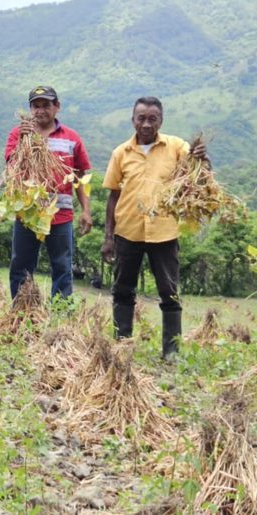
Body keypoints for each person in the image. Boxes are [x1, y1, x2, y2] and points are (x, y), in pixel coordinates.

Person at [101, 96, 208, 360]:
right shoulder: (121, 153)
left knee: (169, 293)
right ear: (133, 120)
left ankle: (171, 353)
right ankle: (121, 346)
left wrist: (203, 161)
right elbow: (113, 196)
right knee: (123, 291)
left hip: (164, 232)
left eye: (152, 119)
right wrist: (108, 237)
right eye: (141, 118)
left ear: (161, 120)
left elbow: (200, 176)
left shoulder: (177, 147)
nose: (146, 124)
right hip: (128, 231)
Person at [5, 86, 92, 300]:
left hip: (61, 216)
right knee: (21, 266)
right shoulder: (18, 134)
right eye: (36, 106)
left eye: (46, 105)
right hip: (27, 214)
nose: (41, 110)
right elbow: (11, 167)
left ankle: (61, 317)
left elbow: (80, 178)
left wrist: (86, 211)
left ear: (57, 107)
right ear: (30, 108)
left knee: (62, 267)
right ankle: (21, 313)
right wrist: (24, 142)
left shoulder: (71, 138)